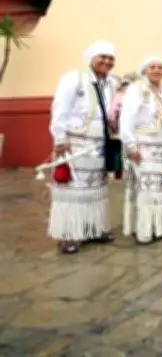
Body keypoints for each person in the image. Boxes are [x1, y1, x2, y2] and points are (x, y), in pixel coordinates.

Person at [48, 40, 121, 254]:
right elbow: (60, 107)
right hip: (75, 141)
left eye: (111, 58)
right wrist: (59, 138)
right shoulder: (74, 78)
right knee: (74, 189)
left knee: (96, 188)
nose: (107, 62)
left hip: (100, 143)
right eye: (103, 57)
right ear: (91, 58)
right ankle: (69, 234)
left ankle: (93, 228)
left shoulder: (112, 83)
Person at [119, 56, 162, 244]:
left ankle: (157, 226)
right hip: (143, 143)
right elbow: (126, 118)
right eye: (152, 67)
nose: (157, 70)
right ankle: (143, 230)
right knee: (145, 187)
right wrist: (131, 145)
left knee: (157, 187)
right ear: (144, 70)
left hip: (161, 144)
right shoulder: (137, 89)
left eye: (160, 67)